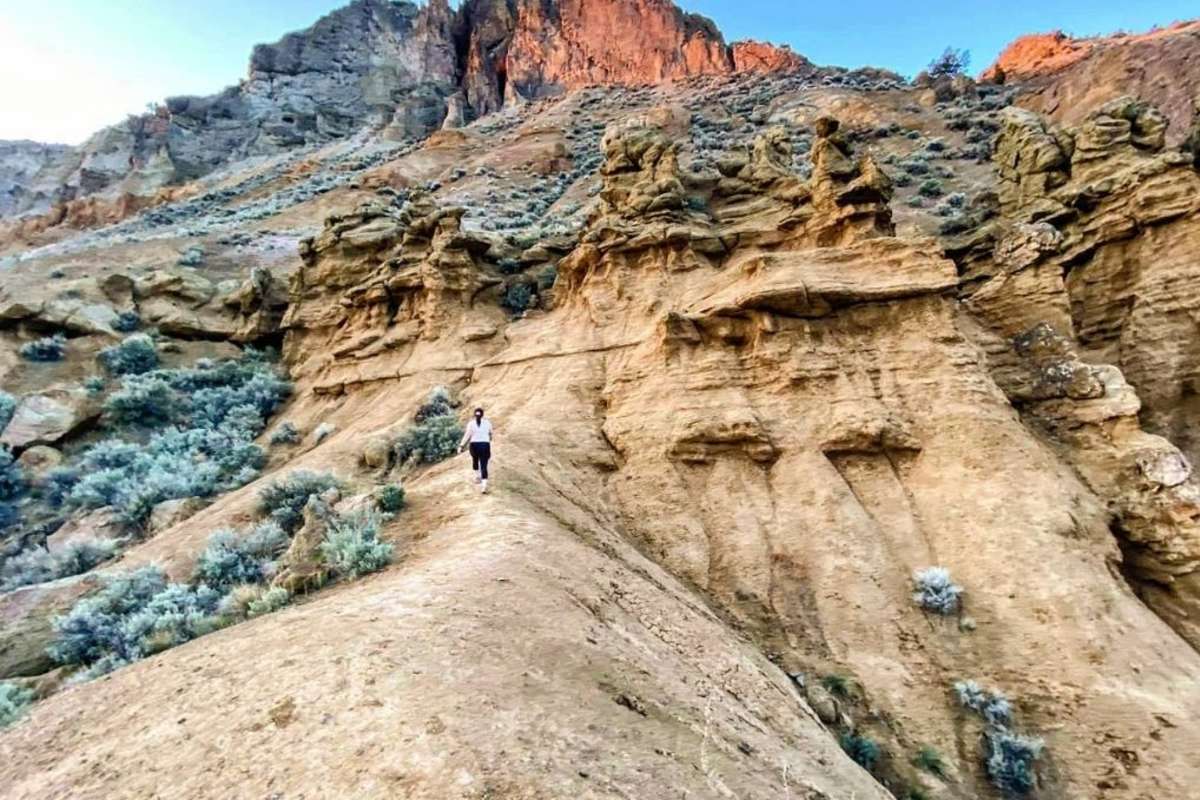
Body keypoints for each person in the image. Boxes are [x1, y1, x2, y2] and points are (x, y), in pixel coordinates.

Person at [458, 407, 494, 493]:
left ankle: (477, 477)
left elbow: (467, 435)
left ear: (474, 415)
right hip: (485, 445)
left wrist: (461, 445)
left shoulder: (471, 424)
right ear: (483, 414)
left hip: (474, 445)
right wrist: (488, 439)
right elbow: (491, 434)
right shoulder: (488, 423)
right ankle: (484, 486)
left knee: (475, 460)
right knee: (484, 465)